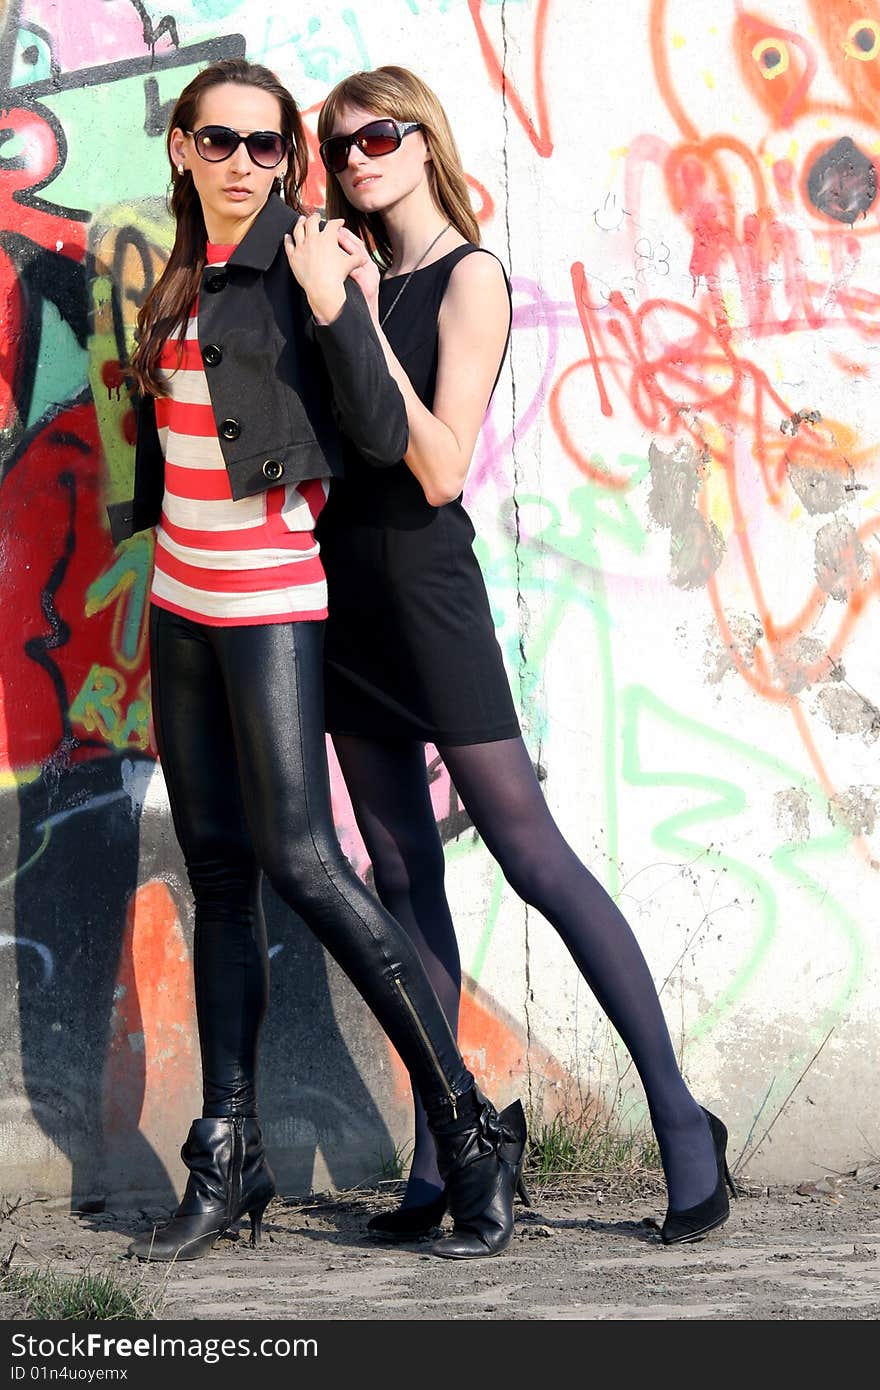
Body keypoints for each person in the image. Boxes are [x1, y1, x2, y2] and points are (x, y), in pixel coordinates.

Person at [311, 65, 737, 1247]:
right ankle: (443, 1154)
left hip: (428, 594)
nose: (356, 159)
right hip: (344, 602)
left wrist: (355, 318)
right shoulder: (350, 271)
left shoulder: (469, 278)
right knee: (401, 883)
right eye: (337, 145)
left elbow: (439, 462)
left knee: (531, 854)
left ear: (422, 140)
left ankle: (680, 1125)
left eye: (377, 136)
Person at [111, 56, 527, 1264]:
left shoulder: (309, 262)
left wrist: (341, 303)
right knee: (222, 875)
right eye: (222, 142)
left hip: (273, 606)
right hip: (183, 607)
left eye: (268, 146)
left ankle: (464, 1124)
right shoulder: (181, 274)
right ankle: (227, 1155)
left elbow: (389, 432)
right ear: (183, 148)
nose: (248, 163)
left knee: (303, 858)